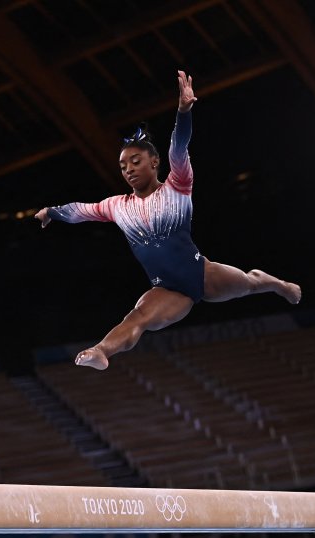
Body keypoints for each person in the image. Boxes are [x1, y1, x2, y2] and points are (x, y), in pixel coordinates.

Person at [35, 70, 301, 370]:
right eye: (123, 166)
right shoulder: (117, 206)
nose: (129, 170)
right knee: (138, 316)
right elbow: (81, 210)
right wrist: (52, 212)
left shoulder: (178, 186)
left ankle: (279, 285)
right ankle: (101, 351)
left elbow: (179, 146)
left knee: (250, 283)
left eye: (136, 162)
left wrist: (184, 111)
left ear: (154, 162)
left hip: (201, 274)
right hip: (167, 289)